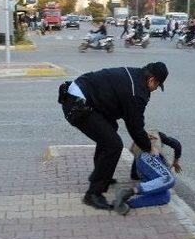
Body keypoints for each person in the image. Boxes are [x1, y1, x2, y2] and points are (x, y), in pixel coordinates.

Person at [58, 62, 169, 209]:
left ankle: (102, 176)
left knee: (110, 130)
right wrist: (149, 147)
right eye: (157, 86)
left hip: (81, 95)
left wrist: (143, 138)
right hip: (77, 105)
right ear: (152, 80)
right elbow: (135, 127)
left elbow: (131, 116)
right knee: (113, 145)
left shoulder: (136, 75)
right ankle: (93, 194)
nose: (155, 90)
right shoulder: (138, 92)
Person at [113, 130, 182, 215]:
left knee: (165, 196)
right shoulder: (158, 134)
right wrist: (176, 161)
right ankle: (129, 192)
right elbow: (177, 145)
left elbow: (134, 172)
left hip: (143, 167)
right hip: (148, 157)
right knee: (169, 179)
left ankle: (126, 203)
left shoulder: (138, 141)